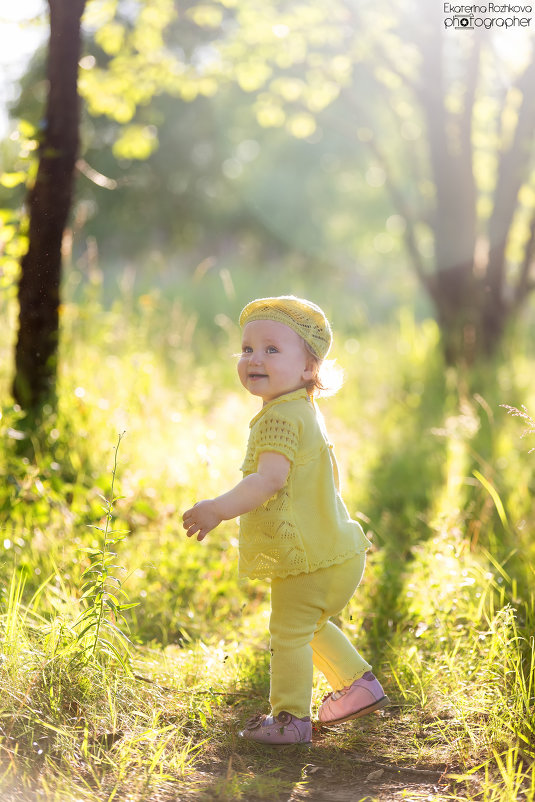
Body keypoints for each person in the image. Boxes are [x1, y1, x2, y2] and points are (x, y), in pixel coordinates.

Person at [182, 296, 389, 745]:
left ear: (308, 368)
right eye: (247, 349)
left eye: (272, 349)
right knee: (307, 625)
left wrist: (217, 508)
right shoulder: (302, 410)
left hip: (306, 559)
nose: (255, 358)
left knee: (288, 634)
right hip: (337, 553)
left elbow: (268, 480)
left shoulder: (277, 421)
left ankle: (290, 721)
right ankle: (358, 686)